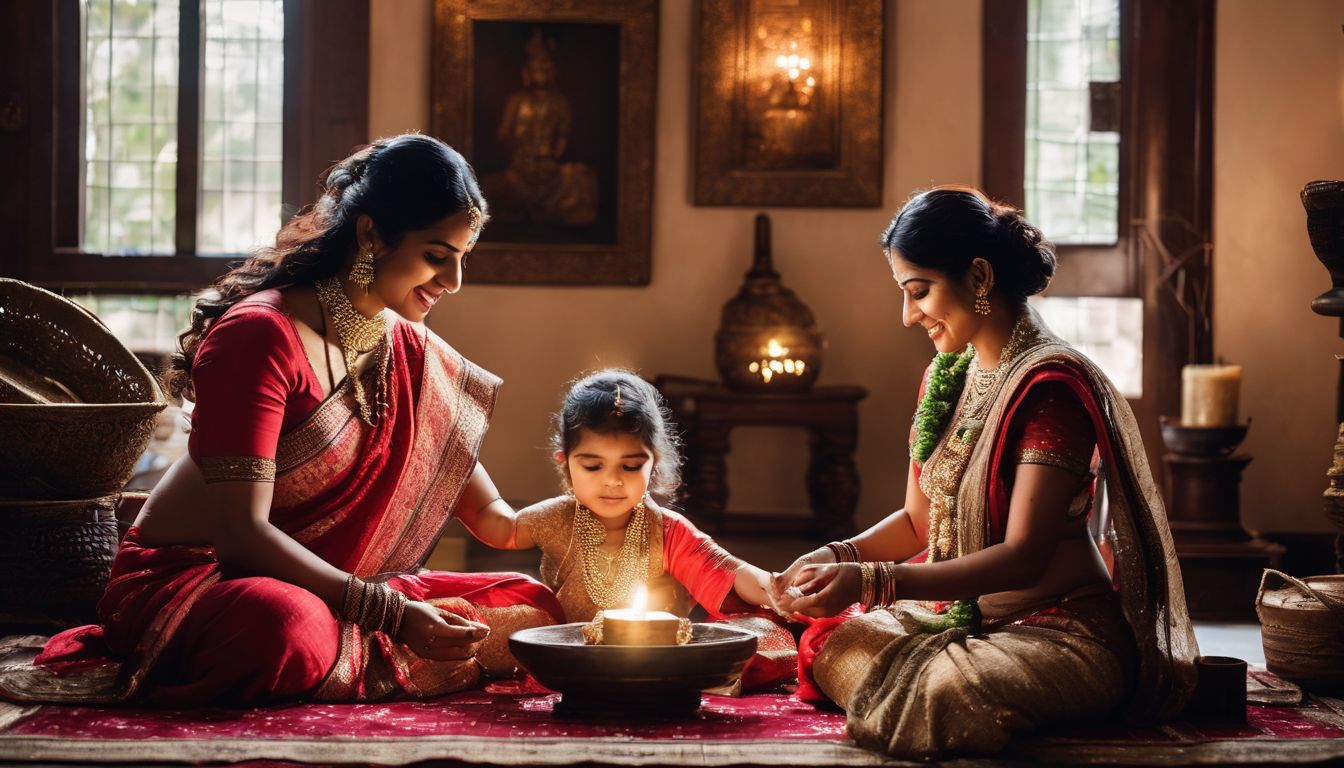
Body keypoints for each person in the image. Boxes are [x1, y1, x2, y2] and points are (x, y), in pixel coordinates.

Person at [0, 134, 563, 706]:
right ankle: (367, 646)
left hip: (338, 588)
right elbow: (241, 537)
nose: (453, 282)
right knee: (284, 629)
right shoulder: (261, 336)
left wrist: (594, 510)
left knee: (531, 605)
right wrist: (390, 612)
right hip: (202, 577)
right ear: (371, 233)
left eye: (463, 259)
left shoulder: (409, 350)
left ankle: (360, 648)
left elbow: (491, 516)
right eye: (437, 255)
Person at [770, 187, 1197, 758]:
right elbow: (918, 522)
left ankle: (920, 692)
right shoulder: (948, 376)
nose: (907, 316)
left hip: (1058, 632)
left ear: (977, 276)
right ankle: (910, 684)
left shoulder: (1049, 389)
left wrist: (874, 582)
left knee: (942, 697)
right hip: (961, 623)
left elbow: (1025, 556)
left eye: (918, 291)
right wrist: (839, 555)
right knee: (829, 636)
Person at [455, 370, 796, 693]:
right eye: (593, 466)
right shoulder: (558, 518)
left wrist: (775, 586)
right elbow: (498, 525)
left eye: (631, 466)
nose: (613, 480)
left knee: (762, 634)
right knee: (508, 623)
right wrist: (450, 453)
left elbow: (729, 572)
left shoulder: (666, 529)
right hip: (572, 657)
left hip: (656, 661)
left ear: (653, 462)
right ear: (566, 462)